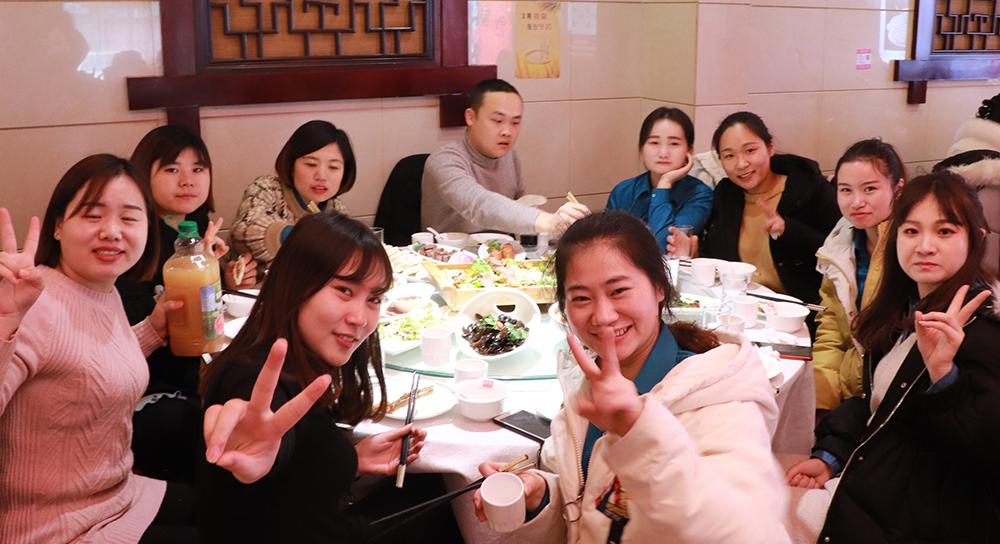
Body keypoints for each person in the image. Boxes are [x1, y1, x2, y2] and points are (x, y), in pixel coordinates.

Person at [472, 210, 790, 543]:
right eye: (581, 298)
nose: (603, 316)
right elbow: (590, 496)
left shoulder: (720, 396)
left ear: (659, 287)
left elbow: (746, 528)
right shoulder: (586, 384)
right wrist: (542, 494)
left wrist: (639, 430)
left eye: (619, 290)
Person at [786, 171, 1000, 543]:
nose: (925, 246)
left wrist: (943, 376)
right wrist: (831, 455)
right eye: (911, 231)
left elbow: (986, 457)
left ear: (977, 238)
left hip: (922, 522)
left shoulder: (986, 329)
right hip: (875, 488)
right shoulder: (905, 308)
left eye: (945, 231)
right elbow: (879, 407)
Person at [198, 212, 430, 543]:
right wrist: (258, 453)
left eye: (374, 299)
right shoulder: (255, 375)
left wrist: (351, 459)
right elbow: (265, 426)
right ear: (296, 284)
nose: (360, 318)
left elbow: (296, 471)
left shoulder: (300, 358)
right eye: (344, 290)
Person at [0, 154, 197, 543]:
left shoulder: (100, 289)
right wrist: (5, 322)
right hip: (54, 526)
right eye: (93, 215)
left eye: (129, 218)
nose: (111, 231)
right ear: (58, 225)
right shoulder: (32, 302)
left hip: (118, 495)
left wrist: (151, 331)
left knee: (240, 508)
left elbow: (84, 365)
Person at [120, 125, 255, 483]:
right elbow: (128, 322)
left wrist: (225, 281)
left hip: (200, 372)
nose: (188, 181)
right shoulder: (134, 236)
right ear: (143, 174)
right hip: (150, 388)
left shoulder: (195, 227)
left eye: (198, 169)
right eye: (171, 169)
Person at [674, 112, 839, 303]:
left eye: (750, 150)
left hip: (798, 311)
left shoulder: (809, 190)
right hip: (740, 307)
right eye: (729, 156)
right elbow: (721, 260)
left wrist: (789, 230)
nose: (741, 164)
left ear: (770, 147)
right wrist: (697, 257)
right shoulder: (726, 195)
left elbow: (841, 255)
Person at [421, 78, 589, 236]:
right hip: (449, 255)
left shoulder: (509, 156)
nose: (507, 131)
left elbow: (523, 205)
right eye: (497, 120)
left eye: (515, 122)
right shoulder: (444, 161)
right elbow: (478, 204)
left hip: (502, 253)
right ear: (470, 117)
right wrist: (549, 222)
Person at [812, 139, 906, 419]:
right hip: (849, 396)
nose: (857, 202)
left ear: (898, 189)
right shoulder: (841, 241)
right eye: (845, 190)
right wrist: (822, 403)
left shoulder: (911, 248)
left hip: (893, 404)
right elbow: (831, 327)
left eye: (870, 189)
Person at [229, 119, 355, 268]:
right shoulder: (267, 189)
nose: (321, 176)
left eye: (333, 167)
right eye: (311, 164)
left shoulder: (337, 210)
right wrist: (306, 236)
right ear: (291, 165)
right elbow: (244, 233)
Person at [606, 107, 712, 251]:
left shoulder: (700, 194)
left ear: (689, 150)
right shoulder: (623, 191)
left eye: (674, 144)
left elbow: (662, 247)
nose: (663, 153)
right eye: (654, 143)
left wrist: (664, 185)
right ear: (641, 148)